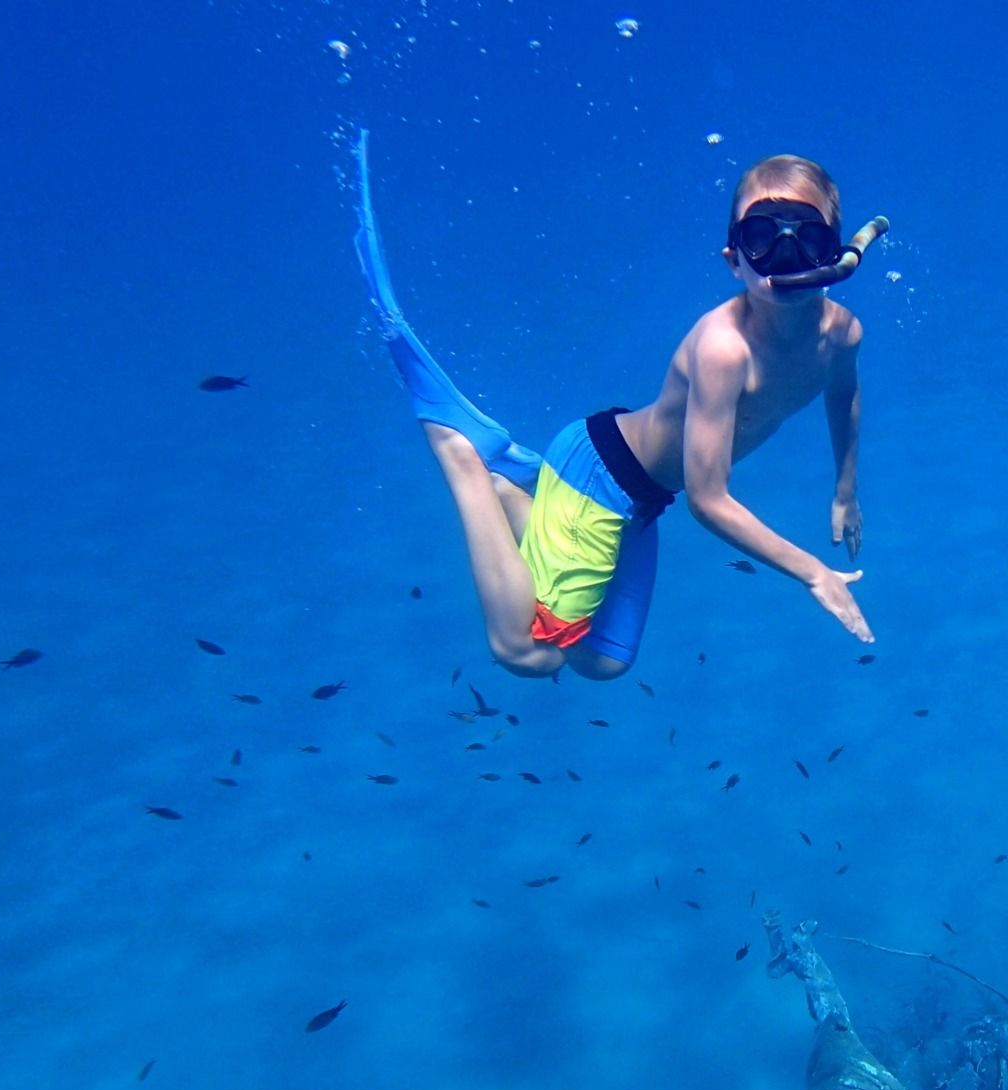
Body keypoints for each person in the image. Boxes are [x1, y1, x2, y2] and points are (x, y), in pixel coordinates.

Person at [353, 132, 880, 680]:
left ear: (836, 254)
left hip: (644, 495)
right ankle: (464, 459)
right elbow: (708, 501)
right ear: (734, 260)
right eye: (763, 237)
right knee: (528, 654)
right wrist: (811, 572)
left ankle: (516, 491)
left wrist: (846, 490)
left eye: (808, 238)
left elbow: (843, 394)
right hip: (603, 476)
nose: (787, 256)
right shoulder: (726, 350)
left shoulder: (842, 335)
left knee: (602, 661)